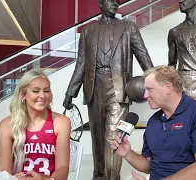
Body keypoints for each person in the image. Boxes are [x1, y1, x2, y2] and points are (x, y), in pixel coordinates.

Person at [62, 0, 154, 179]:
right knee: (97, 137)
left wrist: (156, 82)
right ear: (100, 3)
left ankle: (113, 177)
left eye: (117, 1)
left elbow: (143, 55)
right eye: (110, 0)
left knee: (113, 137)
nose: (115, 4)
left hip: (119, 89)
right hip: (94, 88)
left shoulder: (128, 28)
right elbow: (81, 64)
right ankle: (99, 175)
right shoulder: (88, 31)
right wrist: (70, 92)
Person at [111, 65, 196, 180]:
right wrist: (128, 153)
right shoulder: (153, 122)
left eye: (149, 89)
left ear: (168, 88)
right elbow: (150, 165)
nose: (145, 96)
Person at [0, 69, 71, 180]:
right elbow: (3, 172)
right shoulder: (6, 125)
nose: (42, 95)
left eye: (46, 91)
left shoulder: (62, 122)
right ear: (23, 94)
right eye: (36, 91)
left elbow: (63, 169)